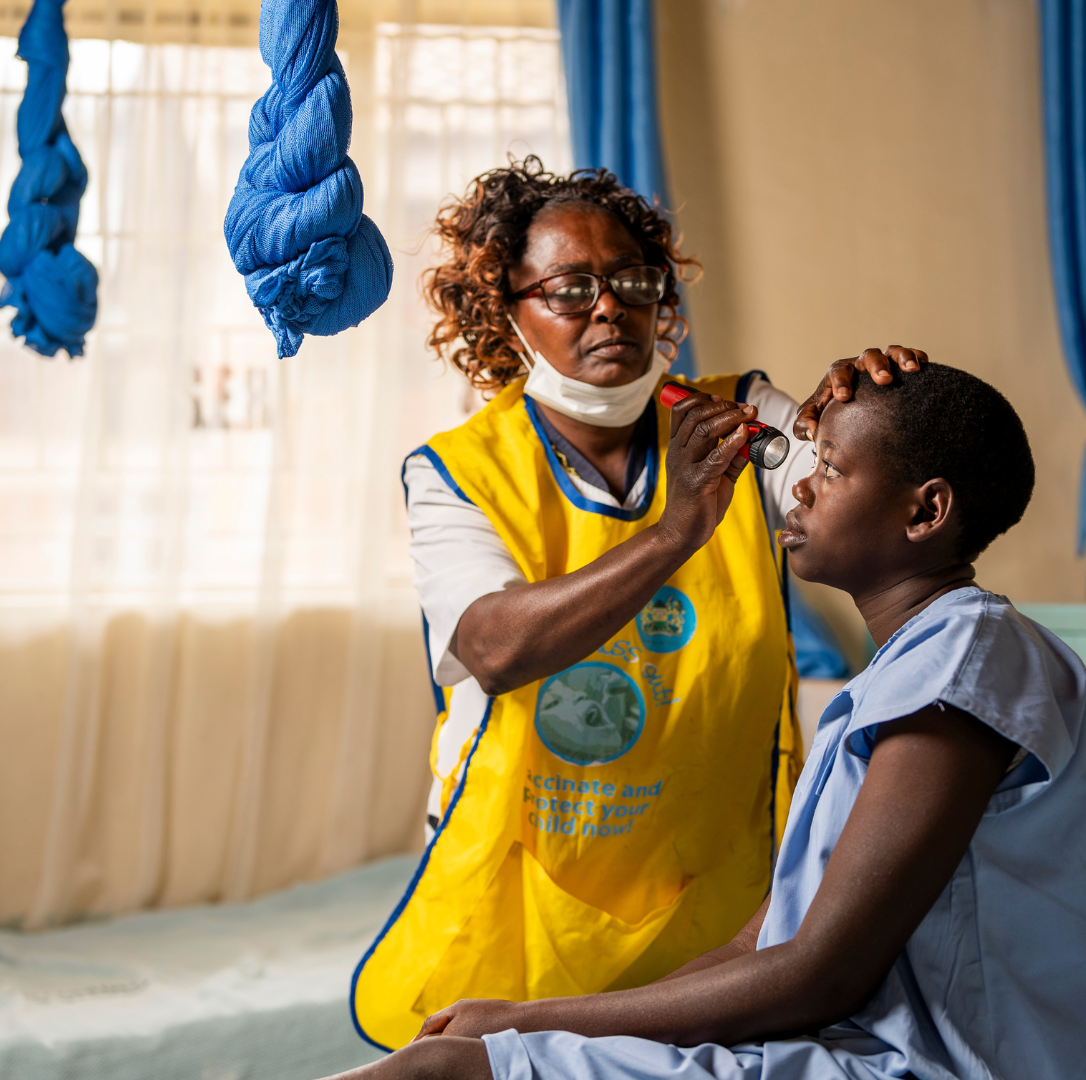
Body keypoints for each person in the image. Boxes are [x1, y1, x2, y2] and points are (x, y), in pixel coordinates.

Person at [341, 359, 1086, 1079]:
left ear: (925, 512)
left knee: (451, 1069)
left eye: (829, 468)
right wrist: (550, 1030)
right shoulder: (900, 677)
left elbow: (814, 976)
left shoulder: (966, 657)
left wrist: (528, 1021)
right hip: (859, 1044)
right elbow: (751, 951)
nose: (797, 486)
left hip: (936, 1063)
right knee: (462, 1059)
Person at [352, 157, 920, 1049]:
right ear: (507, 309)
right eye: (571, 287)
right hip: (527, 864)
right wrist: (674, 532)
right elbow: (494, 647)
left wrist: (881, 416)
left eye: (631, 280)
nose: (610, 306)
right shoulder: (458, 469)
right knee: (493, 1059)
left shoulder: (738, 418)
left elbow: (866, 503)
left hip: (710, 859)